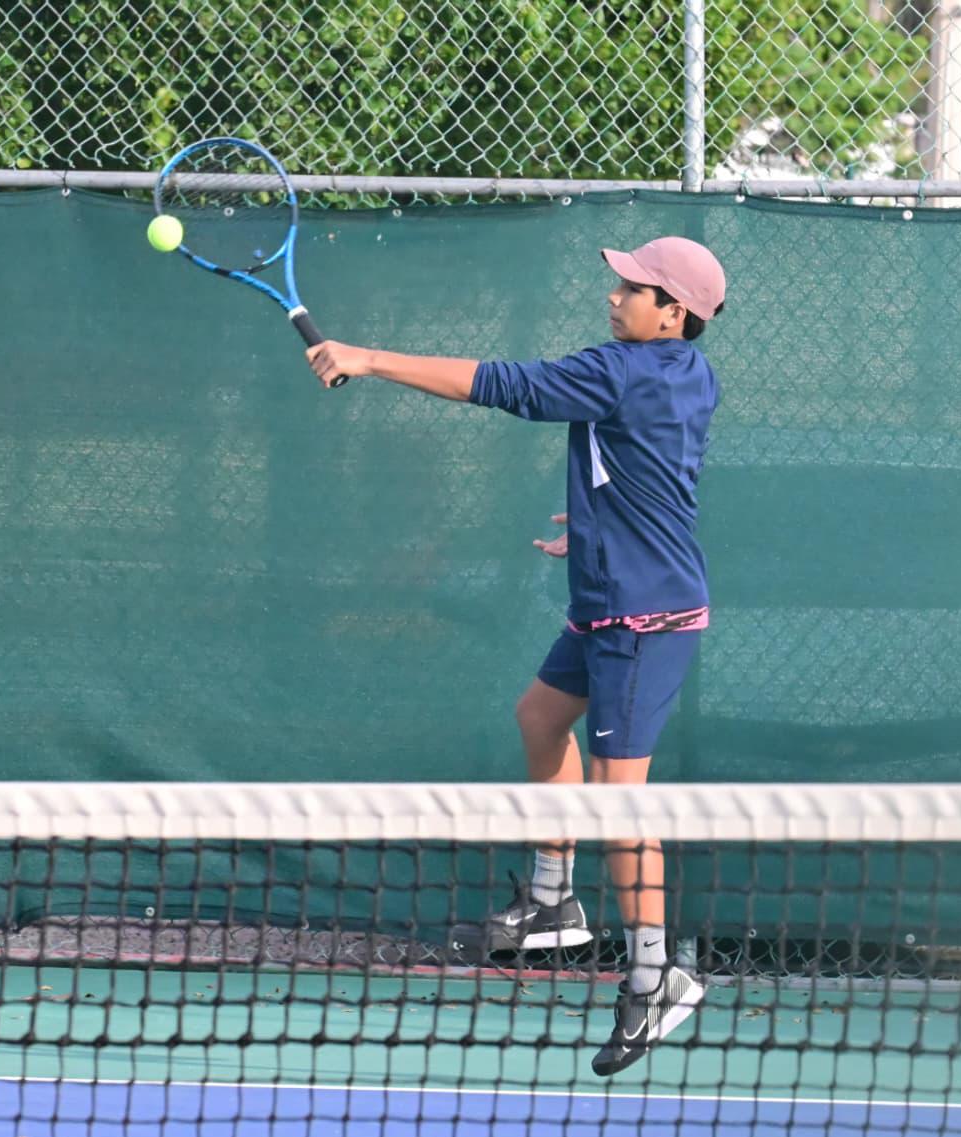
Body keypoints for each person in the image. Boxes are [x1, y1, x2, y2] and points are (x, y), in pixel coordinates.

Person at [307, 236, 725, 1076]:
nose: (614, 297)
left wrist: (370, 357)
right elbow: (651, 465)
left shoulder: (621, 371)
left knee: (620, 806)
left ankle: (656, 976)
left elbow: (508, 386)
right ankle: (552, 899)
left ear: (671, 313)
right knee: (539, 717)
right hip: (610, 600)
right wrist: (598, 525)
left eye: (632, 288)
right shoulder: (687, 375)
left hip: (642, 624)